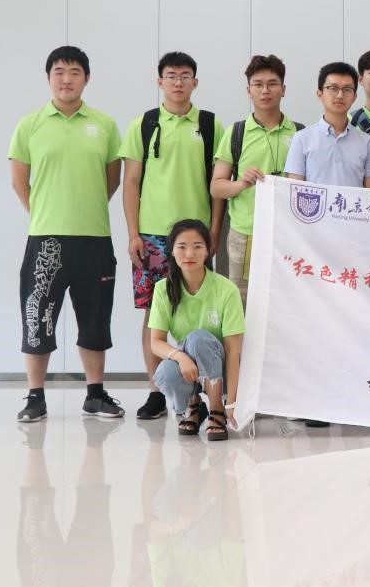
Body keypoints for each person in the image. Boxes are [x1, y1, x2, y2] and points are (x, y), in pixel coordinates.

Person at [10, 46, 124, 422]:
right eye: (59, 72)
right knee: (37, 318)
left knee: (95, 318)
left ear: (86, 78)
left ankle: (95, 394)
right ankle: (35, 397)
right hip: (46, 240)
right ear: (49, 78)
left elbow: (112, 181)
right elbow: (19, 182)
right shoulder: (29, 125)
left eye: (75, 72)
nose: (66, 79)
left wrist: (83, 210)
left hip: (94, 239)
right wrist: (45, 214)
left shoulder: (105, 125)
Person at [121, 51, 225, 421]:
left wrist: (214, 231)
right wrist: (133, 234)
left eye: (184, 75)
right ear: (159, 82)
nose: (178, 82)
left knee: (203, 312)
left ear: (195, 82)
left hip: (197, 236)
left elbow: (217, 185)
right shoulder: (144, 124)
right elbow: (131, 183)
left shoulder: (211, 125)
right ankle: (156, 390)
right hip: (152, 236)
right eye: (170, 75)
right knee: (155, 315)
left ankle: (205, 395)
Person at [211, 55, 301, 307]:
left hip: (288, 235)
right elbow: (216, 187)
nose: (265, 90)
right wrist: (241, 183)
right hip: (245, 234)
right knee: (241, 305)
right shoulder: (236, 132)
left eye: (272, 84)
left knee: (285, 304)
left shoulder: (300, 133)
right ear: (248, 90)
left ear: (283, 89)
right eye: (258, 84)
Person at [149, 219, 245, 442]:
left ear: (208, 250)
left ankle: (216, 409)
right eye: (182, 247)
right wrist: (180, 357)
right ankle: (194, 405)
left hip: (221, 364)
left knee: (198, 338)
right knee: (164, 373)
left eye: (197, 246)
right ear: (172, 251)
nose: (189, 254)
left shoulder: (226, 289)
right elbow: (156, 342)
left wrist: (232, 402)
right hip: (189, 364)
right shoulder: (162, 289)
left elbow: (233, 351)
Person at [285, 62, 370, 188]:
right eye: (333, 88)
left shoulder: (366, 142)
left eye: (347, 89)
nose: (340, 95)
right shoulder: (301, 139)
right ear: (320, 94)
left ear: (354, 97)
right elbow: (294, 190)